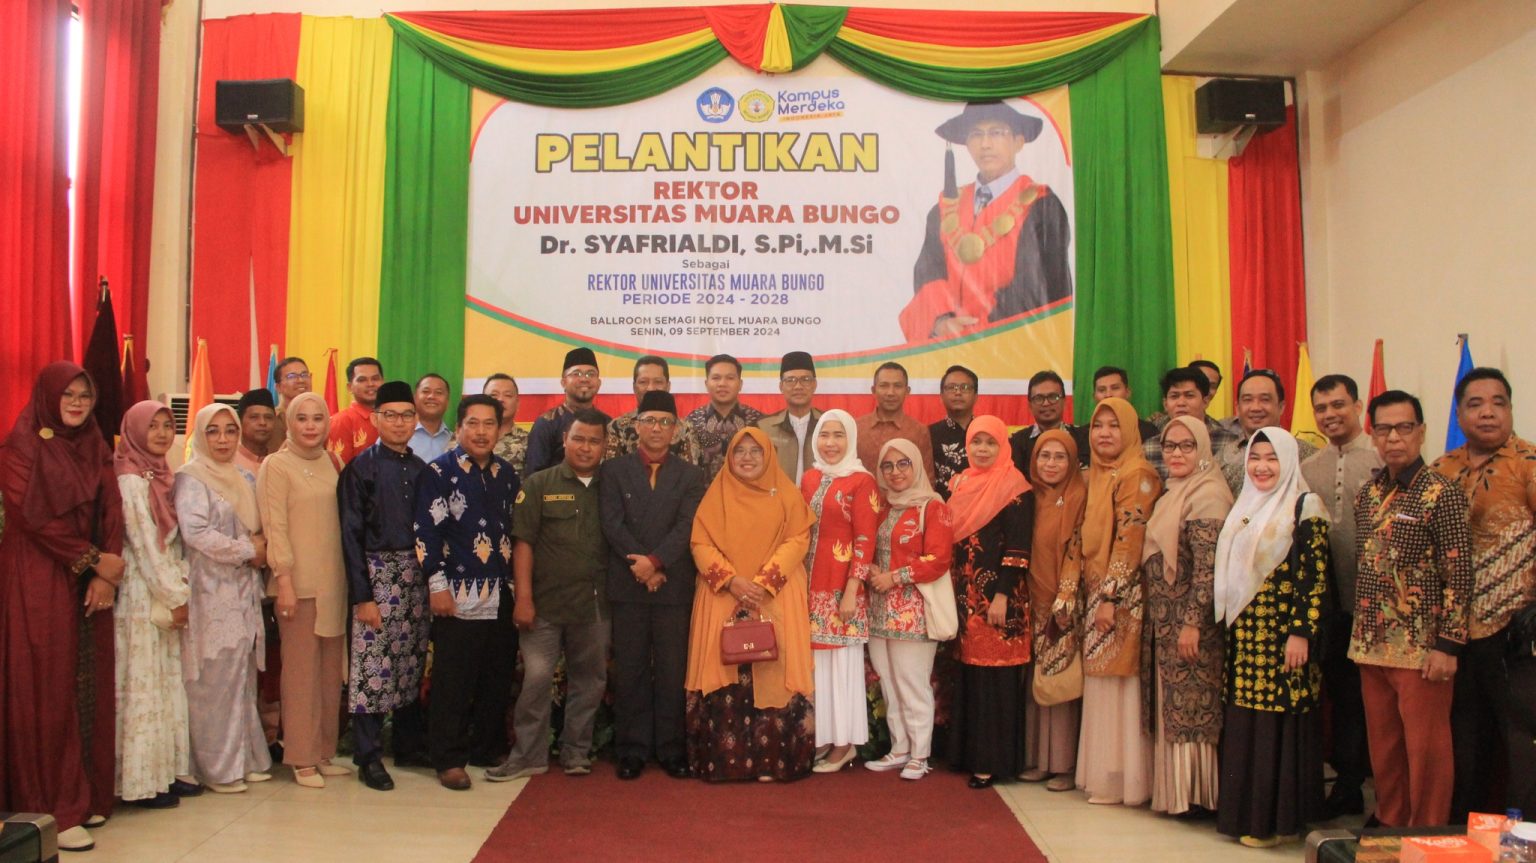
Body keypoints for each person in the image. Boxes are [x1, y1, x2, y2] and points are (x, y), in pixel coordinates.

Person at [0, 363, 125, 852]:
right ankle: (51, 805)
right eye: (68, 394)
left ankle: (85, 792)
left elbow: (111, 508)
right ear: (48, 396)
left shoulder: (94, 443)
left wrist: (104, 572)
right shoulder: (20, 446)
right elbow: (32, 519)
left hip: (88, 574)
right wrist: (93, 560)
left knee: (86, 679)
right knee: (47, 684)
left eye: (84, 396)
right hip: (36, 575)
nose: (76, 403)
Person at [1350, 390, 1472, 828]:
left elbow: (1459, 573)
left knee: (1426, 751)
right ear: (1373, 434)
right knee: (1384, 749)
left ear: (1421, 431)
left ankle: (1427, 833)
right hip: (1371, 643)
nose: (1394, 438)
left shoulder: (1441, 493)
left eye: (1404, 427)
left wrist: (1449, 645)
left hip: (1422, 649)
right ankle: (1391, 825)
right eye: (1383, 429)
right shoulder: (1367, 494)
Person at [1213, 428, 1328, 847]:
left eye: (1272, 458)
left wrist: (1301, 633)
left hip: (1284, 641)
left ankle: (1276, 823)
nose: (1261, 467)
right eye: (1255, 458)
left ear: (1289, 461)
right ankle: (1244, 817)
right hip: (1245, 639)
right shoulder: (1244, 505)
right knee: (1247, 725)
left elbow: (1314, 578)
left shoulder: (1306, 506)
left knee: (1275, 727)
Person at [1432, 368, 1536, 819]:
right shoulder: (1441, 470)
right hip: (1455, 635)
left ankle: (1524, 840)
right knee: (1465, 741)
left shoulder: (1529, 463)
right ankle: (1463, 834)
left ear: (1510, 409)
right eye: (1476, 404)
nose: (1488, 412)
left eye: (1498, 402)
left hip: (1517, 632)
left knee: (1522, 743)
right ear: (1459, 414)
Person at [685, 427, 817, 782]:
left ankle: (774, 763)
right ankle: (726, 763)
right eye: (739, 451)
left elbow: (798, 538)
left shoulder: (786, 494)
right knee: (726, 672)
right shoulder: (716, 494)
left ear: (768, 455)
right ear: (728, 457)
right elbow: (700, 543)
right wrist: (731, 580)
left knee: (773, 670)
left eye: (755, 451)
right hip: (723, 595)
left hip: (774, 595)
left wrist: (764, 582)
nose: (747, 458)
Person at [489, 409, 613, 782]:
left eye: (594, 441)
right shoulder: (539, 484)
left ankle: (576, 752)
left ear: (605, 446)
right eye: (579, 439)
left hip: (595, 604)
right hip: (544, 603)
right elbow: (523, 544)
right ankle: (528, 755)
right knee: (537, 679)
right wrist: (523, 598)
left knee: (589, 680)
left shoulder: (614, 486)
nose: (585, 447)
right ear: (564, 440)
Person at [597, 391, 707, 781]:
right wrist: (642, 567)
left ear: (676, 430)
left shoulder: (691, 475)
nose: (657, 428)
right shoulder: (614, 471)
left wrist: (657, 563)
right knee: (631, 669)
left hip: (673, 586)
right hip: (628, 585)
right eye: (649, 421)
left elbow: (688, 526)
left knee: (673, 670)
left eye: (665, 422)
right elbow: (612, 524)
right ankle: (632, 749)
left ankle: (672, 749)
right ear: (636, 426)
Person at [415, 395, 520, 790]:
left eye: (489, 424)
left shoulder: (506, 474)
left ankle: (485, 747)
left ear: (499, 429)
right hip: (457, 591)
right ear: (458, 428)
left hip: (501, 589)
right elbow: (426, 532)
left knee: (495, 675)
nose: (480, 432)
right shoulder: (438, 472)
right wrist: (437, 586)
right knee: (453, 679)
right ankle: (448, 757)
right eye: (472, 423)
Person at [901, 101, 1072, 342]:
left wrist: (980, 330)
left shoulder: (1041, 206)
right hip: (950, 349)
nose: (985, 144)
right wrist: (941, 321)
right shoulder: (943, 210)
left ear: (1018, 142)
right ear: (966, 143)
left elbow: (1038, 285)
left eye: (997, 132)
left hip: (1011, 344)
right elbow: (928, 273)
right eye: (976, 134)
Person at [176, 403, 273, 799]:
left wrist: (258, 549)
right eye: (213, 431)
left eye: (229, 431)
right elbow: (196, 533)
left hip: (243, 588)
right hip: (210, 590)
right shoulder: (191, 478)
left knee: (240, 676)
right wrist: (247, 551)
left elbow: (257, 528)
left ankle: (244, 759)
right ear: (201, 436)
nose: (222, 439)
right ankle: (214, 767)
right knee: (212, 680)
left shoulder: (243, 477)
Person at [337, 381, 430, 792]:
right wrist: (363, 597)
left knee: (409, 663)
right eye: (390, 415)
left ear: (415, 420)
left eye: (406, 415)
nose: (399, 423)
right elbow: (350, 536)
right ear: (375, 419)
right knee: (372, 669)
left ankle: (407, 746)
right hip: (376, 577)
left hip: (414, 579)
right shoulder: (360, 469)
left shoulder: (422, 469)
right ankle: (368, 756)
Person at [1141, 417, 1233, 817]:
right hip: (1168, 621)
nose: (1176, 454)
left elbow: (1208, 571)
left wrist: (1193, 623)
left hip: (1192, 625)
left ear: (1203, 450)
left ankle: (1195, 797)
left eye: (1186, 446)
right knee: (1175, 707)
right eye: (1170, 446)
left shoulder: (1208, 494)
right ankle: (1176, 795)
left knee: (1193, 708)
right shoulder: (1174, 492)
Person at [1298, 374, 1380, 819]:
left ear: (1358, 406)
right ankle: (1347, 787)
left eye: (1338, 405)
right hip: (1333, 608)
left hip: (1381, 609)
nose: (1329, 415)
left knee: (1379, 704)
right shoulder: (1309, 468)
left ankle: (1385, 794)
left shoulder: (1381, 459)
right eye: (1321, 408)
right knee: (1344, 699)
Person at [258, 392, 349, 788]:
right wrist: (284, 581)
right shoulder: (276, 466)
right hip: (297, 584)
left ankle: (323, 751)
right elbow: (274, 526)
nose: (311, 426)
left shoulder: (333, 462)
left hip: (334, 583)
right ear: (290, 423)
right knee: (299, 674)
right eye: (302, 419)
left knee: (329, 674)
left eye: (318, 418)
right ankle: (299, 755)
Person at [1075, 397, 1162, 806]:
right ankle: (1107, 773)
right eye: (1098, 425)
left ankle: (1123, 778)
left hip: (1122, 594)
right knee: (1102, 681)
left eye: (1114, 425)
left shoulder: (1137, 473)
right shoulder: (1098, 474)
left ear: (1130, 430)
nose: (1104, 433)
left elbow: (1130, 541)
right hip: (1098, 588)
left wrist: (1110, 597)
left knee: (1118, 681)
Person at [113, 401, 196, 809]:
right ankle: (139, 782)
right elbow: (144, 545)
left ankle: (165, 773)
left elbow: (173, 543)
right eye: (153, 427)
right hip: (141, 593)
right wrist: (176, 595)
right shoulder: (130, 479)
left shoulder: (163, 474)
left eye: (168, 426)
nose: (162, 434)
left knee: (166, 683)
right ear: (134, 430)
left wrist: (180, 584)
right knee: (143, 684)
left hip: (165, 587)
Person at [945, 415, 1032, 788]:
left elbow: (1018, 548)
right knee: (970, 676)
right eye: (976, 442)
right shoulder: (960, 483)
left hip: (998, 600)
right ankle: (967, 755)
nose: (982, 449)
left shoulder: (1015, 486)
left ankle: (991, 762)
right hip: (964, 599)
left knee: (994, 681)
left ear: (1003, 445)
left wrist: (1001, 595)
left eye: (990, 442)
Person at [865, 438, 954, 781]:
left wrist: (894, 577)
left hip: (913, 610)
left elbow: (939, 559)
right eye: (887, 465)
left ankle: (920, 754)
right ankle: (899, 748)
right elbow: (868, 546)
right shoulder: (883, 507)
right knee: (888, 681)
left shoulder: (932, 506)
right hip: (879, 609)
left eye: (903, 463)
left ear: (916, 465)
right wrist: (873, 569)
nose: (895, 472)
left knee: (912, 681)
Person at [800, 409, 882, 773]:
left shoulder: (861, 481)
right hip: (809, 586)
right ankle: (822, 738)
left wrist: (852, 589)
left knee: (842, 667)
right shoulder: (810, 477)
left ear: (850, 440)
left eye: (838, 436)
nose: (830, 443)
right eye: (824, 435)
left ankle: (845, 744)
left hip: (842, 588)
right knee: (816, 667)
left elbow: (866, 538)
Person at [1020, 429, 1086, 792]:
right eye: (1044, 456)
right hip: (1033, 600)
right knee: (1037, 682)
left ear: (1073, 461)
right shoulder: (1030, 496)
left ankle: (1064, 765)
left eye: (1060, 457)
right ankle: (1038, 760)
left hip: (1063, 603)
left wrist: (1066, 597)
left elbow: (1077, 548)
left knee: (1062, 681)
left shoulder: (1078, 495)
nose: (1051, 464)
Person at [1219, 369, 1319, 495]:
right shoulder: (1221, 458)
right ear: (1238, 408)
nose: (1255, 407)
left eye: (1265, 399)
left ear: (1281, 407)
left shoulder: (1307, 455)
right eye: (1248, 400)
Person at [1144, 367, 1238, 479]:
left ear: (1205, 401)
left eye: (1189, 395)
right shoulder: (1150, 447)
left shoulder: (1228, 442)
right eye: (1174, 396)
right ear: (1165, 404)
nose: (1181, 403)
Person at [606, 355, 703, 465]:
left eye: (658, 382)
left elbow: (690, 473)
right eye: (643, 382)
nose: (651, 388)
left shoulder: (685, 429)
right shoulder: (617, 427)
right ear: (634, 387)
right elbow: (611, 471)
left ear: (668, 386)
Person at [526, 348, 602, 479]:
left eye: (591, 374)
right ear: (563, 382)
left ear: (599, 383)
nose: (584, 379)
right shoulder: (546, 423)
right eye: (576, 374)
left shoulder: (607, 423)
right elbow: (535, 476)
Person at [686, 354, 763, 481]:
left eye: (730, 378)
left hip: (747, 491)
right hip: (703, 493)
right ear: (706, 384)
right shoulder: (692, 421)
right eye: (716, 378)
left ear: (740, 384)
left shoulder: (758, 421)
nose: (722, 384)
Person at [856, 362, 936, 478]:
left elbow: (926, 479)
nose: (890, 393)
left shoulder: (919, 431)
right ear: (873, 390)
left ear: (907, 391)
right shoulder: (856, 428)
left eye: (897, 386)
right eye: (884, 385)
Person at [755, 351, 821, 484]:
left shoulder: (829, 423)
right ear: (781, 386)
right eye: (790, 380)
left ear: (814, 385)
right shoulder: (763, 427)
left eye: (805, 380)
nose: (798, 386)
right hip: (777, 496)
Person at [1010, 369, 1076, 473]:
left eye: (1053, 397)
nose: (1046, 403)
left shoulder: (1081, 437)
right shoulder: (1016, 443)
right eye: (1039, 398)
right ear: (1030, 405)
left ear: (1064, 401)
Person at [931, 365, 979, 497]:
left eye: (965, 387)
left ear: (976, 396)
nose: (958, 392)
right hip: (941, 507)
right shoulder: (928, 434)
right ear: (941, 396)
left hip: (984, 506)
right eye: (951, 387)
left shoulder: (988, 433)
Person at [327, 357, 384, 465]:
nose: (370, 384)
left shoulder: (392, 416)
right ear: (349, 387)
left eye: (375, 379)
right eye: (362, 380)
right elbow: (338, 468)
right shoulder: (341, 421)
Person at [485, 373, 529, 477]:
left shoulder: (529, 441)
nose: (500, 400)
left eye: (508, 395)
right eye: (493, 395)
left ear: (517, 403)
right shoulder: (465, 438)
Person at [408, 373, 454, 463]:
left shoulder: (455, 442)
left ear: (447, 402)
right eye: (426, 391)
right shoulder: (398, 436)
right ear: (414, 399)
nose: (432, 396)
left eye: (439, 393)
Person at [235, 388, 278, 476]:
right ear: (239, 421)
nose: (262, 423)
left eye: (268, 417)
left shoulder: (280, 463)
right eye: (254, 417)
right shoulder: (228, 461)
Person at [272, 355, 312, 440]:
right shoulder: (273, 420)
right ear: (278, 387)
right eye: (292, 376)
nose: (301, 380)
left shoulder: (319, 417)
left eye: (304, 375)